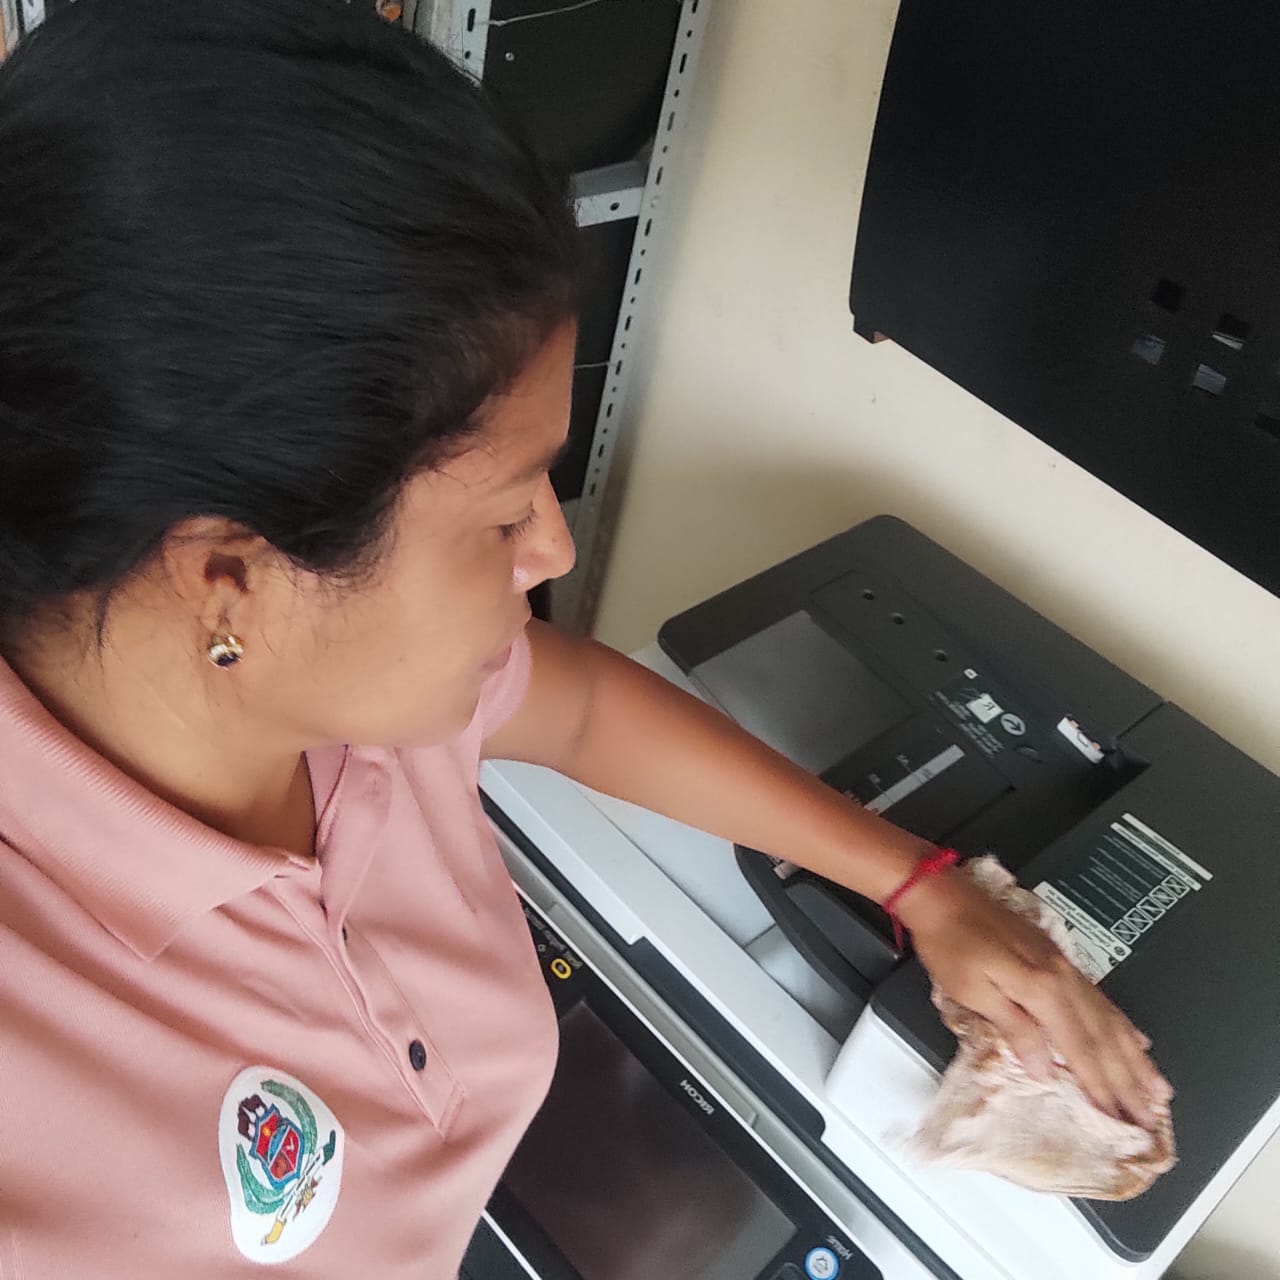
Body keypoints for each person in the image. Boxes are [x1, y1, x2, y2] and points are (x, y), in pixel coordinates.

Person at [0, 2, 1170, 1276]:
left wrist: (922, 887)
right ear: (232, 578)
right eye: (506, 510)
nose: (552, 551)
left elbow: (574, 707)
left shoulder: (345, 695)